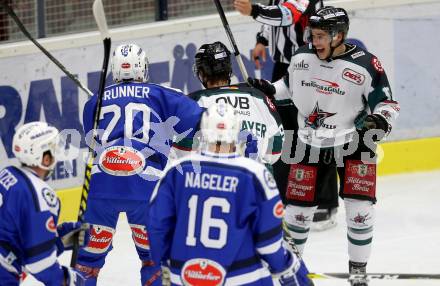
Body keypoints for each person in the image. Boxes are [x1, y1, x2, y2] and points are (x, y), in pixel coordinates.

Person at [248, 6, 400, 286]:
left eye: (319, 36)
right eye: (312, 35)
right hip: (308, 142)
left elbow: (387, 104)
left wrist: (380, 120)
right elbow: (288, 86)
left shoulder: (366, 64)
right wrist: (270, 89)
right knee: (297, 212)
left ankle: (358, 272)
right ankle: (291, 270)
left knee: (360, 209)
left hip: (355, 142)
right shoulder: (302, 57)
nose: (314, 42)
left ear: (339, 35)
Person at [76, 43, 204, 285]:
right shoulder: (160, 94)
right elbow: (202, 118)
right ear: (143, 68)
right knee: (153, 262)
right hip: (145, 188)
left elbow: (92, 139)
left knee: (87, 263)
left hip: (101, 189)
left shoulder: (94, 102)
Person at [148, 102, 312, 286]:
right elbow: (268, 240)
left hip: (186, 275)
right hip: (243, 277)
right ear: (236, 131)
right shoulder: (254, 174)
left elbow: (157, 226)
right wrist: (284, 266)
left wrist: (164, 262)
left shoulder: (177, 170)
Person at [234, 0, 339, 230]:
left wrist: (254, 11)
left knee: (316, 132)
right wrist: (262, 41)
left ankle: (326, 202)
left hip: (311, 66)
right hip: (283, 66)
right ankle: (286, 196)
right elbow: (273, 13)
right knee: (283, 131)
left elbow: (287, 14)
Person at [0, 121, 87, 285]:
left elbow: (20, 236)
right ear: (45, 159)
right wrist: (66, 279)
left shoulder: (7, 174)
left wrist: (59, 240)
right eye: (54, 150)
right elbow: (39, 262)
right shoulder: (39, 195)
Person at [186, 41, 284, 168]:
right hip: (258, 178)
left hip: (217, 177)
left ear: (203, 73)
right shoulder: (258, 96)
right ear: (228, 69)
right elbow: (277, 144)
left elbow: (183, 147)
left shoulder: (195, 101)